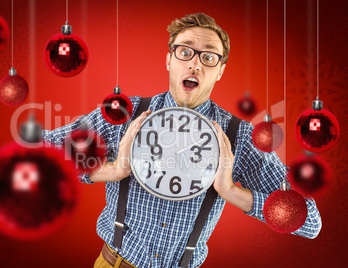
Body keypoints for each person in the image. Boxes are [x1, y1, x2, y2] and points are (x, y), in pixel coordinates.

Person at [42, 13, 321, 268]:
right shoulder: (123, 114)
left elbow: (309, 222)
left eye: (209, 57)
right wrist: (112, 170)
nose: (195, 64)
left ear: (221, 70)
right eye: (185, 52)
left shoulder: (239, 138)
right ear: (169, 60)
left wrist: (231, 191)